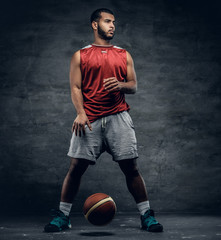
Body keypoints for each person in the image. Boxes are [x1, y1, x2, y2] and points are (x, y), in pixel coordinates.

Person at [44, 8, 163, 233]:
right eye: (107, 21)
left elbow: (134, 85)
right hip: (89, 118)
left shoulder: (124, 54)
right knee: (76, 167)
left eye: (114, 22)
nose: (112, 26)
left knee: (131, 168)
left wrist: (120, 85)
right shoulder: (80, 55)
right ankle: (63, 216)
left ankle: (146, 215)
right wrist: (80, 113)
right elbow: (75, 87)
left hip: (119, 117)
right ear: (94, 25)